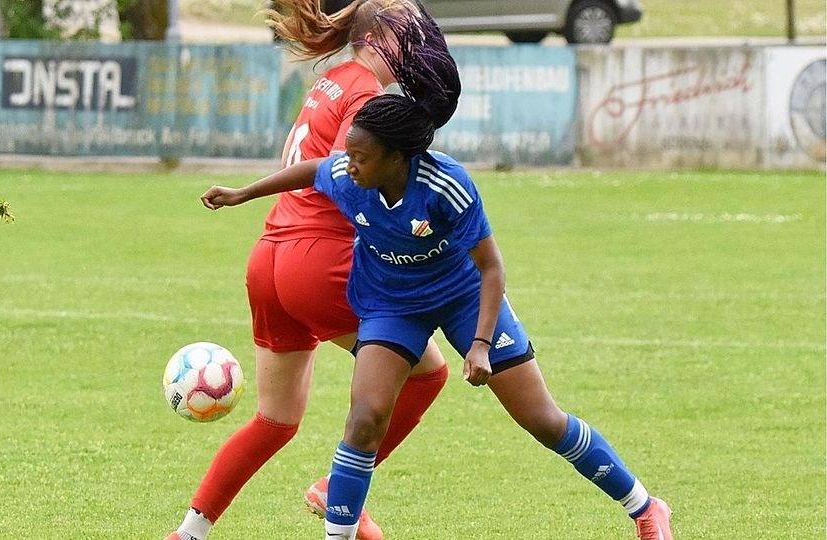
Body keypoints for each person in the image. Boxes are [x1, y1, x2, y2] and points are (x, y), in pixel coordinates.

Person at [199, 3, 675, 540]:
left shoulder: (446, 184)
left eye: (359, 157)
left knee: (541, 419)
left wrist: (477, 344)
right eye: (347, 155)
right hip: (393, 303)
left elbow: (491, 268)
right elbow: (313, 168)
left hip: (460, 296)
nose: (347, 165)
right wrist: (243, 193)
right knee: (364, 419)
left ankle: (644, 506)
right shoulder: (347, 174)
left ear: (398, 158)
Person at [166, 1, 451, 539]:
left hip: (270, 257)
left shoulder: (331, 81)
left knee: (275, 420)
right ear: (382, 37)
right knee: (428, 372)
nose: (417, 45)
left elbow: (305, 161)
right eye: (409, 34)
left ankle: (187, 532)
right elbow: (350, 175)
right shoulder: (366, 93)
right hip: (318, 261)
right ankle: (335, 489)